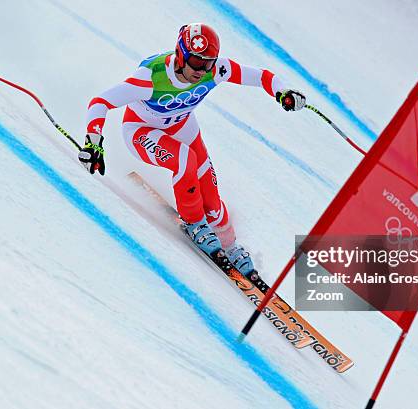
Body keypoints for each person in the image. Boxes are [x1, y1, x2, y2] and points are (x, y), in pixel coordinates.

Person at [79, 23, 306, 278]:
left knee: (212, 198)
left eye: (208, 63)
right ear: (180, 55)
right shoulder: (151, 77)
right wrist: (92, 142)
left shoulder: (215, 69)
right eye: (196, 62)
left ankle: (229, 244)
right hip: (142, 131)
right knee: (185, 160)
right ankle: (194, 223)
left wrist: (283, 91)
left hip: (182, 125)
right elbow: (101, 102)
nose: (201, 70)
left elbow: (260, 76)